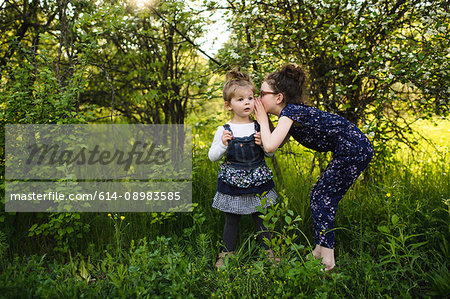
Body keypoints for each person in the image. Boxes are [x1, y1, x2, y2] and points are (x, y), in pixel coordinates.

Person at [254, 64, 373, 271]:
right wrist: (266, 130)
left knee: (322, 195)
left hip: (353, 148)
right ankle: (320, 249)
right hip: (353, 147)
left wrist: (263, 121)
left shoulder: (291, 111)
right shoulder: (291, 113)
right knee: (321, 195)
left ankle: (327, 259)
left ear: (279, 97)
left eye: (262, 93)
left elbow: (271, 145)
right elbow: (276, 143)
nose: (258, 98)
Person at [209, 68, 278, 268]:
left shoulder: (259, 126)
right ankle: (226, 253)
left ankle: (268, 252)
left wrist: (263, 145)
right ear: (228, 105)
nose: (247, 102)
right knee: (231, 220)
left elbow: (270, 153)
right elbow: (212, 157)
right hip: (233, 183)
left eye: (250, 98)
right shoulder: (223, 130)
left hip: (258, 181)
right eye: (240, 99)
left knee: (262, 218)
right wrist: (222, 144)